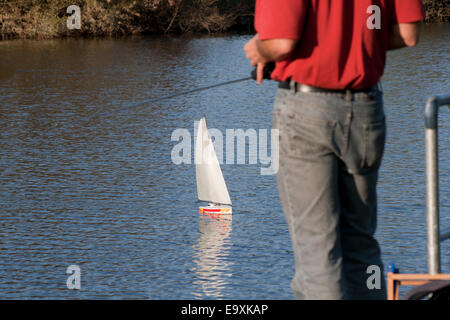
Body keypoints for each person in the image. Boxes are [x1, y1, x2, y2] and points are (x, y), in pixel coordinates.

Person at [244, 0, 425, 299]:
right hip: (367, 111)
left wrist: (259, 51)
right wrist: (356, 49)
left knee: (318, 253)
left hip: (307, 111)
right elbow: (407, 34)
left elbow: (281, 42)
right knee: (362, 246)